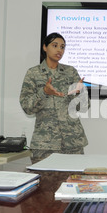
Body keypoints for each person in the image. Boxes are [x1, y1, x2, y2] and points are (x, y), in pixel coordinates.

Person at [20, 32, 88, 163]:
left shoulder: (71, 72)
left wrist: (79, 93)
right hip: (45, 144)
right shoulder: (33, 73)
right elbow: (27, 107)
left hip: (72, 142)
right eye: (55, 45)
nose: (59, 50)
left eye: (62, 47)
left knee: (73, 181)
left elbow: (84, 106)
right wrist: (44, 92)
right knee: (46, 182)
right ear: (45, 47)